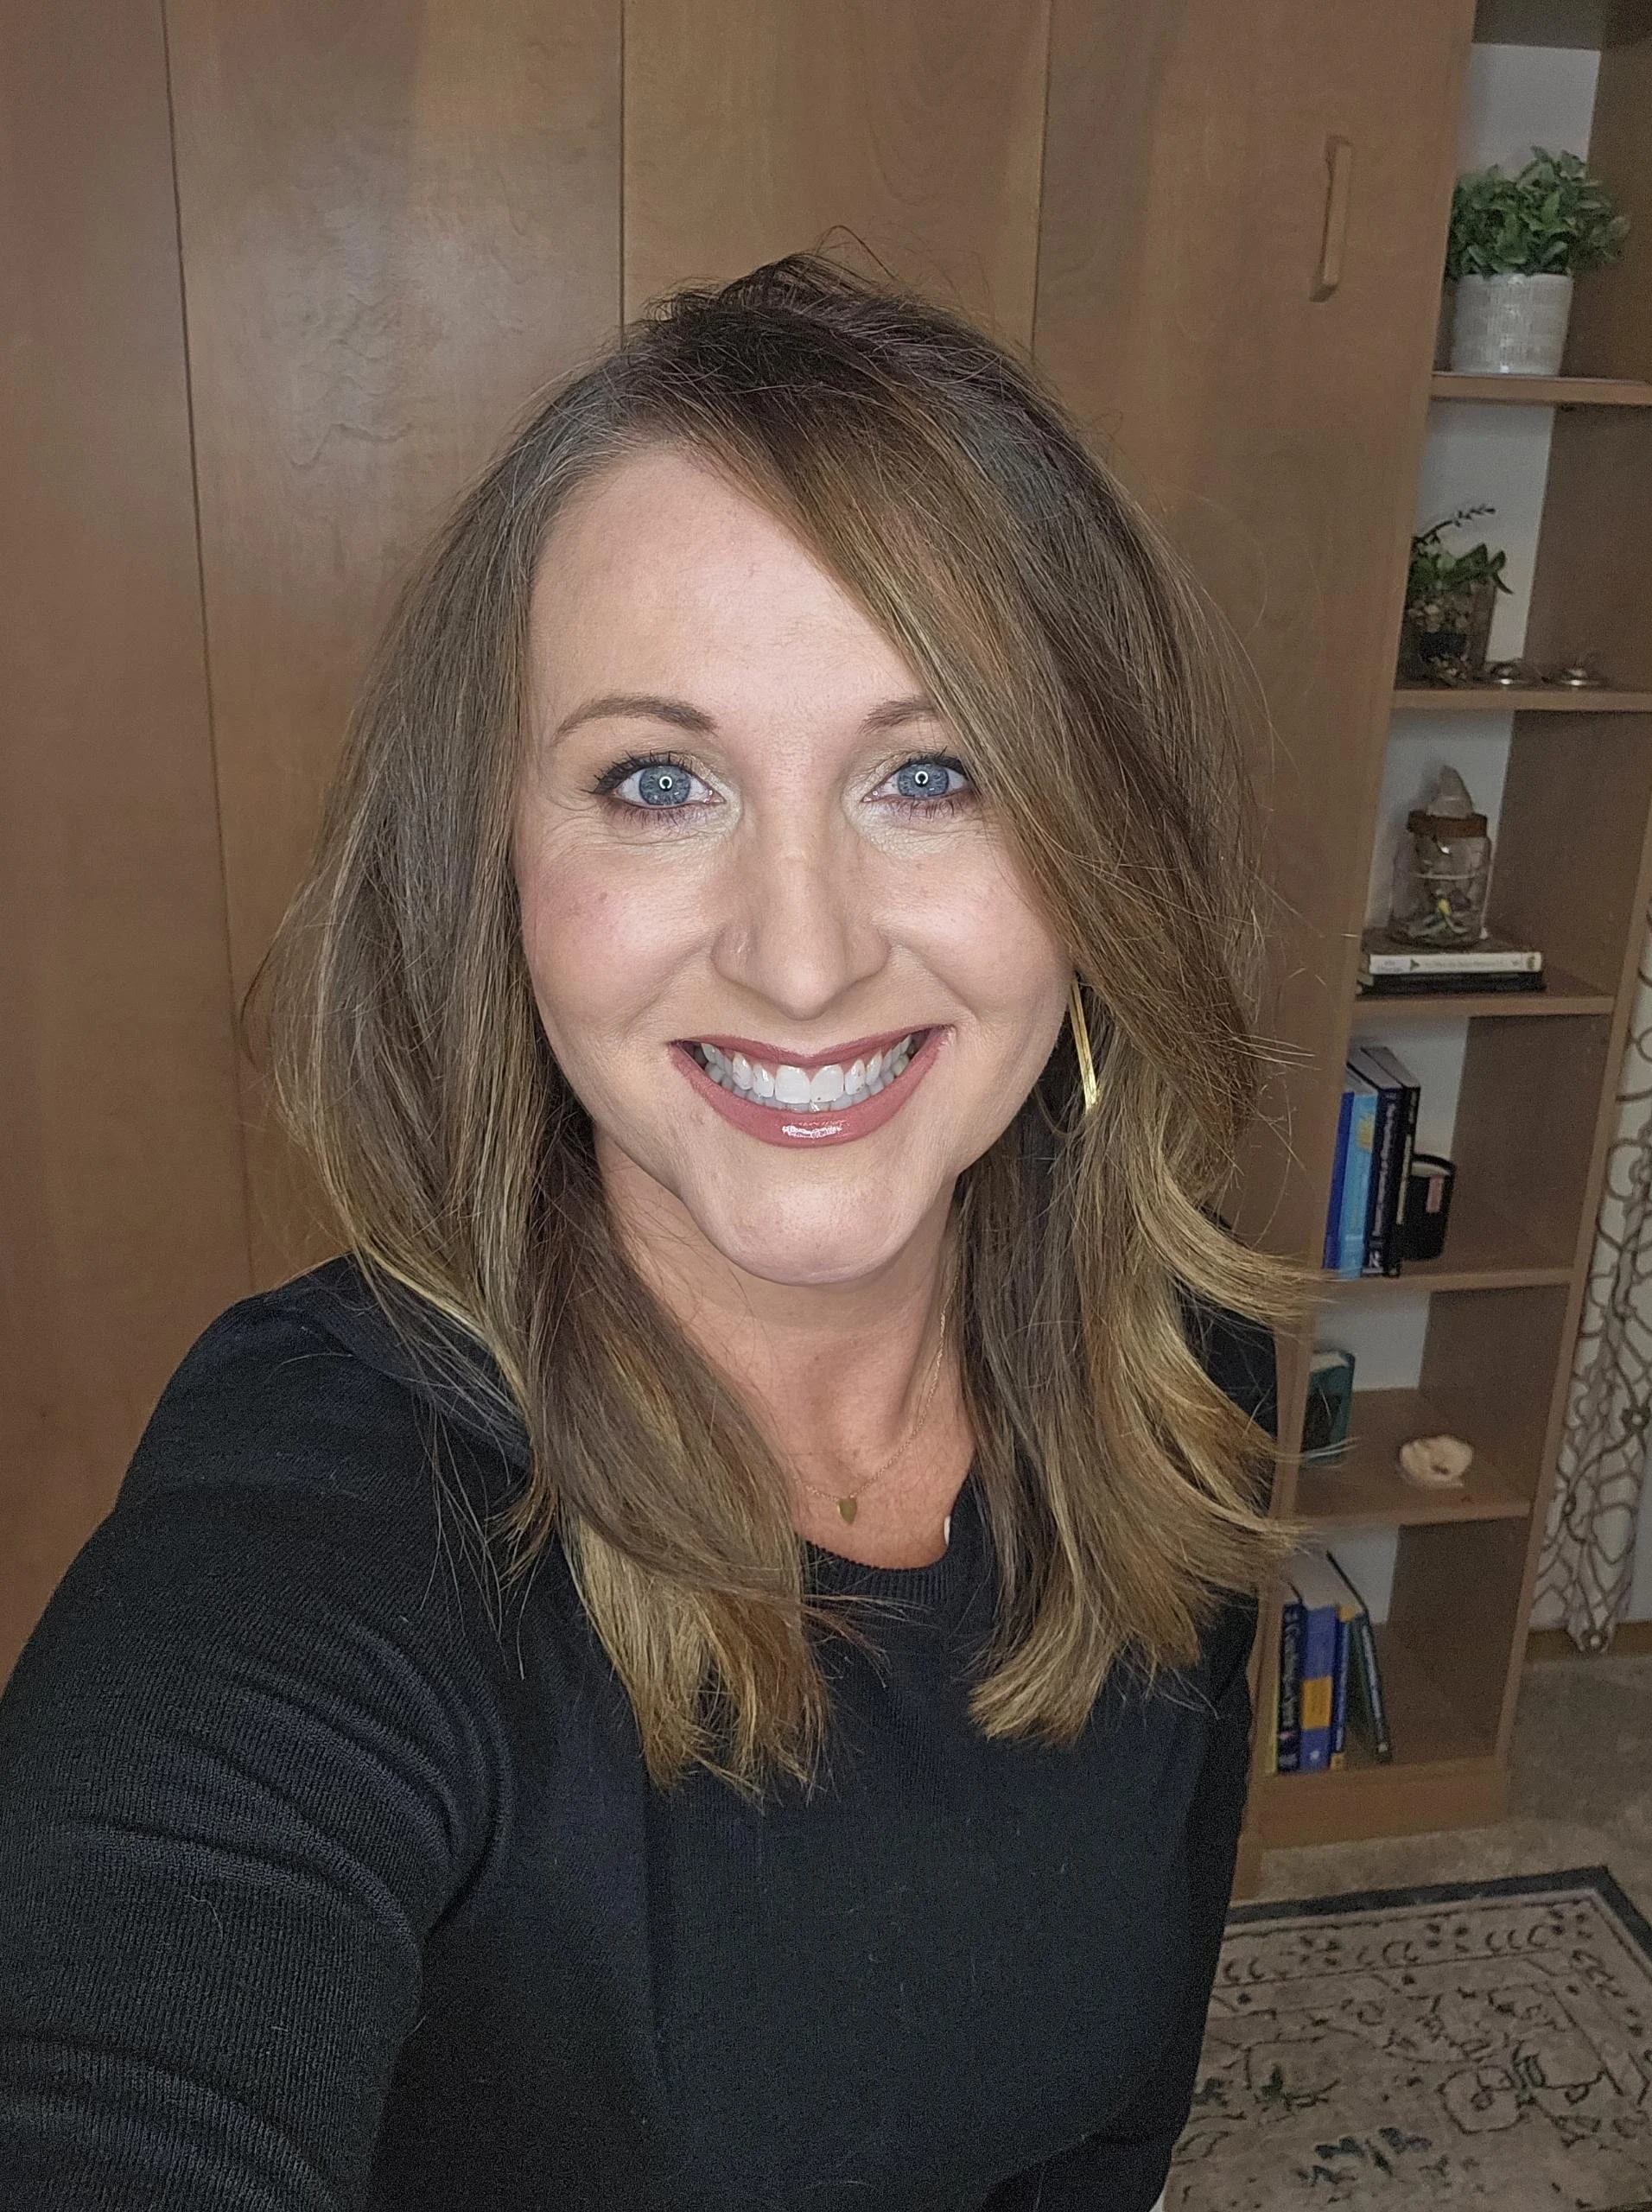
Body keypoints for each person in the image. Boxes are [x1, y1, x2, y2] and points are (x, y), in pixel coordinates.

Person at [0, 256, 1307, 2210]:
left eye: (933, 772)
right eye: (658, 780)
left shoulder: (1183, 1393)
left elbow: (1110, 2126)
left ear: (1097, 848)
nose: (803, 954)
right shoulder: (335, 1502)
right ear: (502, 869)